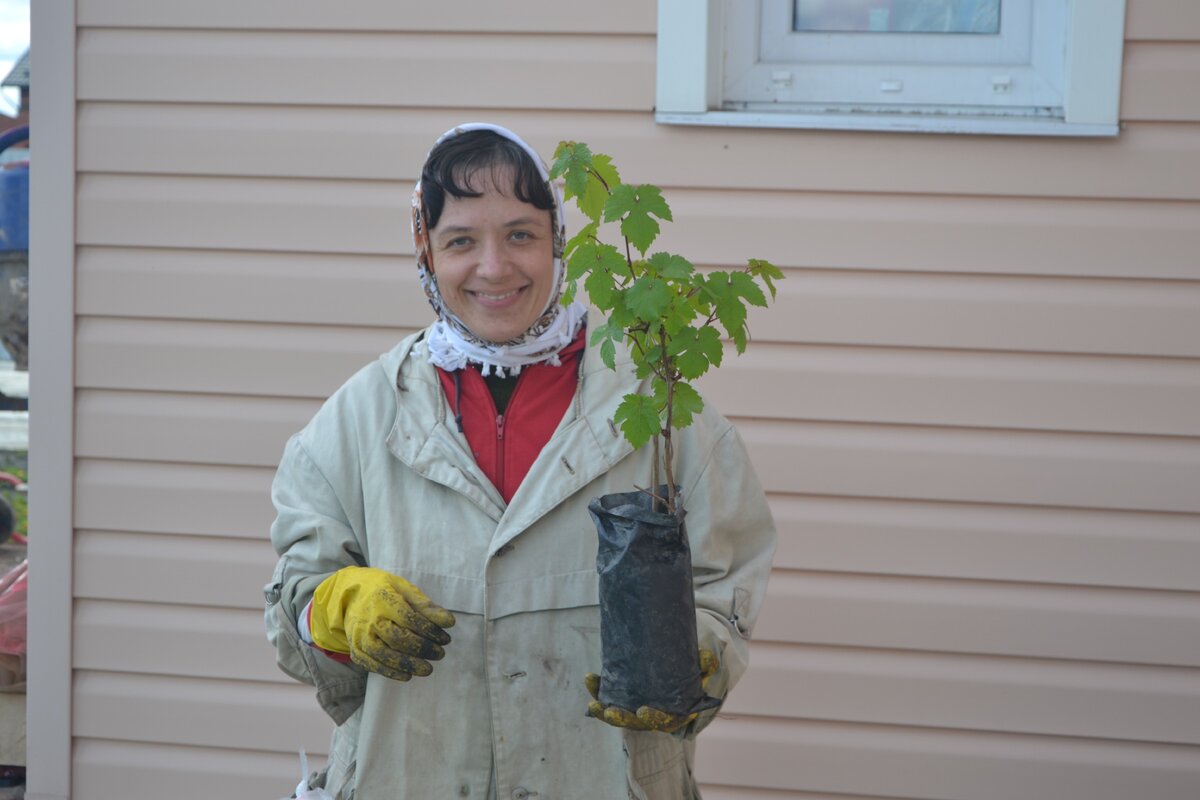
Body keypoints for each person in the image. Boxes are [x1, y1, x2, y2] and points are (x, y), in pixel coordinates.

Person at [264, 123, 777, 799]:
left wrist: (690, 657)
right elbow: (295, 602)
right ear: (426, 252)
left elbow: (725, 579)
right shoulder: (357, 421)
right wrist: (332, 610)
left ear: (558, 242)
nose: (494, 267)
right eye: (460, 242)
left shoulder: (658, 411)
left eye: (520, 235)